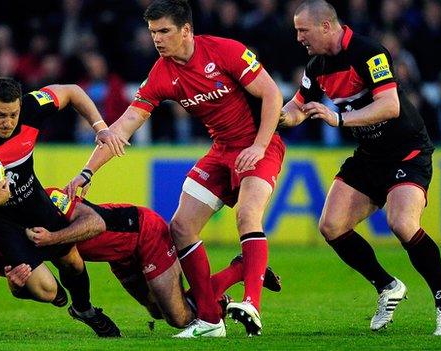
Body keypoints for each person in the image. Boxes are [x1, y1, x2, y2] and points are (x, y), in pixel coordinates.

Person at [65, 0, 285, 338]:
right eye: (153, 32)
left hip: (260, 145)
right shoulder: (162, 73)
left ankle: (251, 303)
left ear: (186, 30)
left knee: (247, 213)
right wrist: (87, 171)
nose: (157, 39)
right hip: (221, 151)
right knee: (180, 227)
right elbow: (124, 127)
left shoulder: (225, 51)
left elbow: (271, 95)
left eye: (164, 31)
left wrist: (258, 146)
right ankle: (211, 321)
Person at [279, 0, 441, 336]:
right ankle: (387, 286)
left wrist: (339, 118)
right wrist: (276, 116)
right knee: (331, 226)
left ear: (326, 26)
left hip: (407, 151)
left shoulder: (369, 52)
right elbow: (298, 106)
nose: (299, 37)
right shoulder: (316, 65)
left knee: (401, 222)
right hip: (370, 155)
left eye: (303, 30)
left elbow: (390, 106)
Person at [0, 77, 127, 337]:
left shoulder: (33, 106)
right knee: (48, 291)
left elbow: (72, 91)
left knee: (73, 262)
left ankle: (85, 310)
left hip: (32, 200)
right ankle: (19, 287)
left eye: (13, 115)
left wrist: (100, 127)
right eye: (0, 115)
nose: (8, 122)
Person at [1, 187, 282, 330]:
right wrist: (17, 286)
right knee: (157, 312)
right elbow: (31, 284)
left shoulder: (49, 197)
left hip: (143, 231)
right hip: (120, 256)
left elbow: (96, 224)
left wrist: (51, 239)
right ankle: (228, 287)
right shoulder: (7, 233)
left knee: (179, 318)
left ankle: (241, 269)